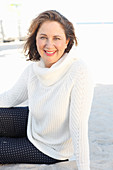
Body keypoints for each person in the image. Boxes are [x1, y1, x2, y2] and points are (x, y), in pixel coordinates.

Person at [0, 10, 94, 170]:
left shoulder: (78, 70)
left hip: (51, 149)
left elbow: (78, 126)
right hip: (33, 123)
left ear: (67, 42)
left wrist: (84, 167)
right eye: (43, 37)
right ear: (35, 39)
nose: (49, 45)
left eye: (56, 38)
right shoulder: (33, 70)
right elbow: (8, 98)